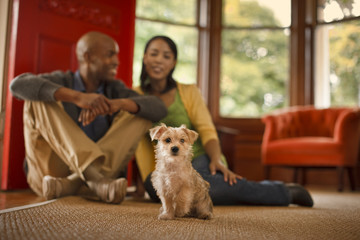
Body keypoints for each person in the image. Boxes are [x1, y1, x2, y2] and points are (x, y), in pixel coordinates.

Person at [133, 35, 314, 207]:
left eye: (166, 56)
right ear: (145, 57)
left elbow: (207, 129)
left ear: (173, 63)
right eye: (154, 53)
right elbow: (132, 138)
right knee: (154, 185)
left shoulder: (188, 91)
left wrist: (216, 159)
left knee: (201, 187)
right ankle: (234, 191)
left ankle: (284, 193)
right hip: (163, 167)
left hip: (197, 159)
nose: (159, 60)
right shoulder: (134, 96)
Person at [9, 31, 167, 204]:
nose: (117, 61)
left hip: (100, 176)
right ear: (88, 57)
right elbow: (18, 84)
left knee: (139, 112)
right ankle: (94, 179)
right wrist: (77, 97)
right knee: (38, 99)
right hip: (50, 178)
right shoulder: (62, 80)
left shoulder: (114, 89)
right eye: (110, 54)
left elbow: (159, 107)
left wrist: (118, 104)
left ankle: (74, 183)